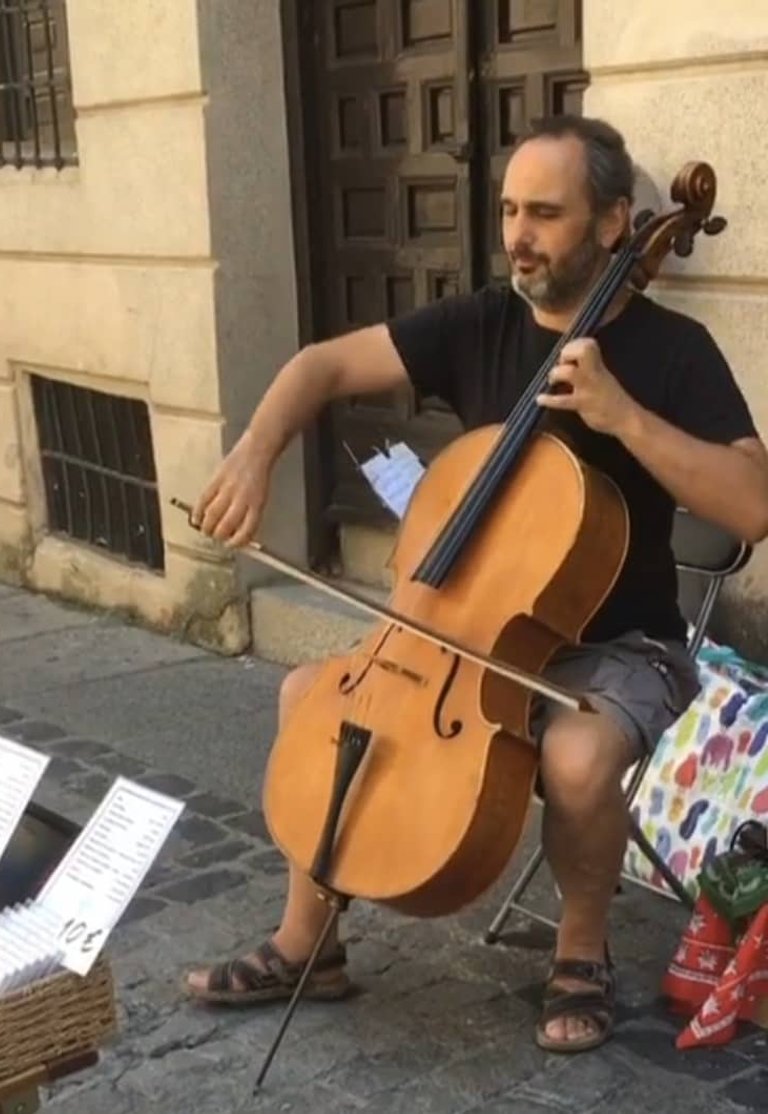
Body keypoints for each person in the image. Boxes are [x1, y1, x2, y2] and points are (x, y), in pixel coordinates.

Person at [183, 115, 768, 1053]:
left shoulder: (672, 352)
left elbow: (751, 506)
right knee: (310, 697)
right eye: (509, 211)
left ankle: (580, 953)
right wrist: (255, 452)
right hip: (460, 631)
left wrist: (624, 417)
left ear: (617, 223)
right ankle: (309, 945)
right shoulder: (476, 323)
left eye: (545, 212)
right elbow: (321, 365)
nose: (519, 235)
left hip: (621, 648)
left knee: (576, 761)